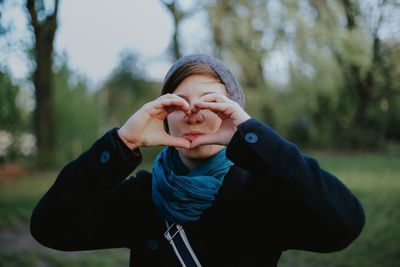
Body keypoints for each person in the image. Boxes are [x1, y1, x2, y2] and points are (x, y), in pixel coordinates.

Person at [30, 54, 365, 267]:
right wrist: (122, 142)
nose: (192, 113)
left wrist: (253, 136)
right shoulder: (143, 197)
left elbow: (345, 222)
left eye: (211, 101)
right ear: (164, 114)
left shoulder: (260, 194)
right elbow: (50, 226)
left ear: (233, 113)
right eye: (179, 103)